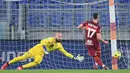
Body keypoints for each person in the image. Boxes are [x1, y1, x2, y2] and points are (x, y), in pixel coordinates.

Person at [1, 33, 84, 70]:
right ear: (55, 36)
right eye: (58, 36)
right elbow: (42, 43)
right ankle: (7, 64)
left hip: (41, 53)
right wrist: (44, 49)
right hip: (37, 48)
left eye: (60, 36)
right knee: (22, 57)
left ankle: (21, 67)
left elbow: (66, 53)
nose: (59, 37)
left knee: (37, 62)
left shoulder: (59, 45)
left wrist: (74, 57)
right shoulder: (50, 39)